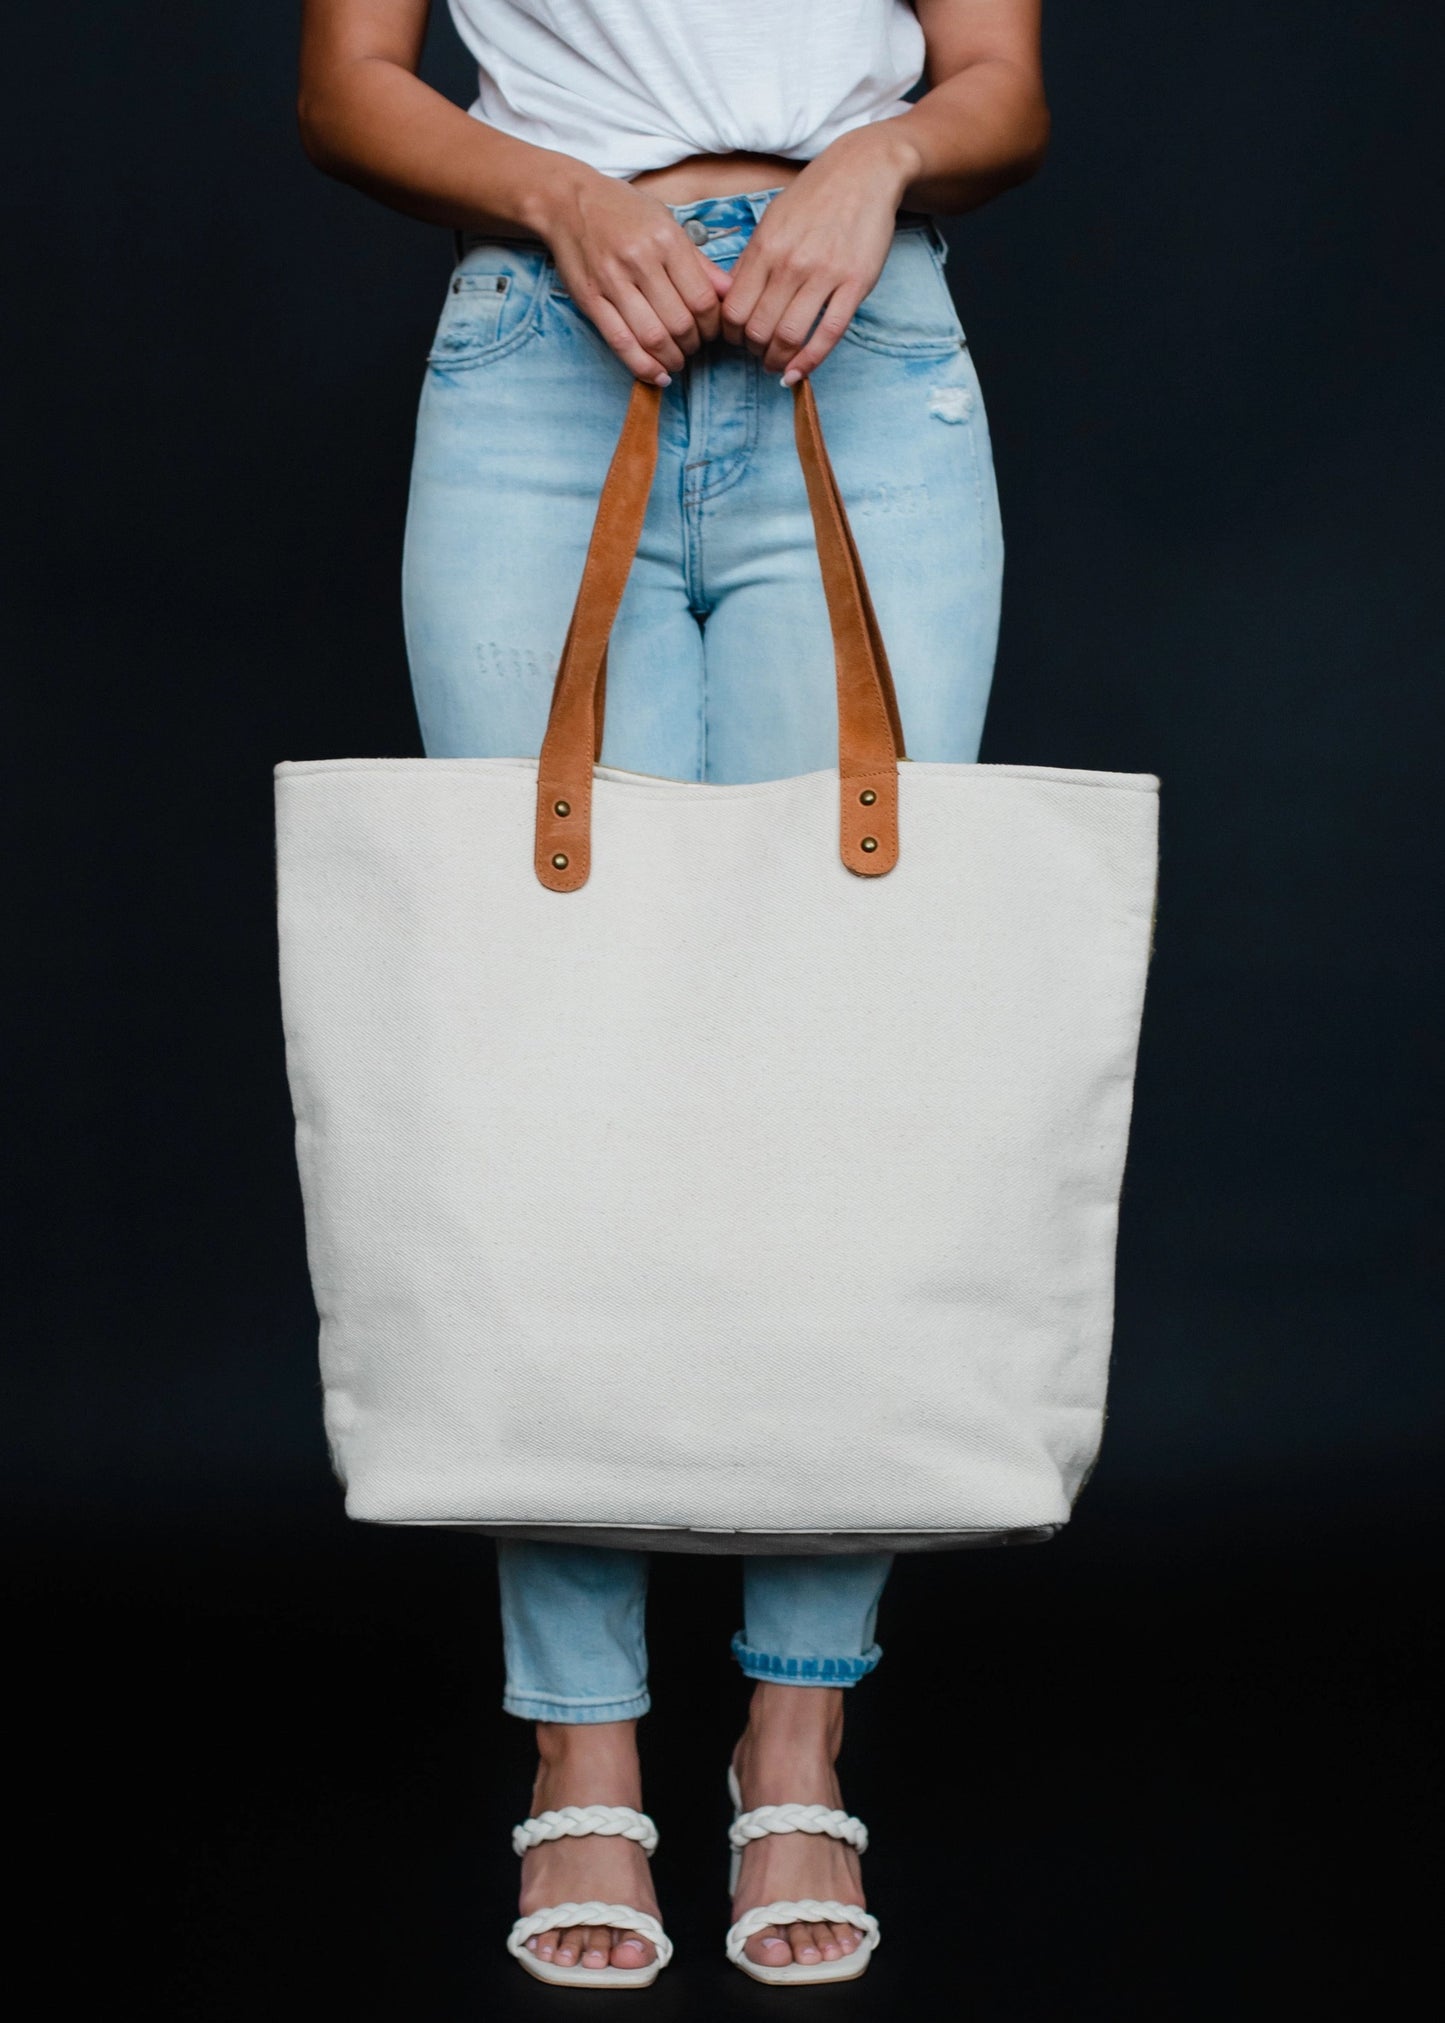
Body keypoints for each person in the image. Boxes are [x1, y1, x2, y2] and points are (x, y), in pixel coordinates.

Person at [298, 0, 1048, 1987]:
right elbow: (345, 80)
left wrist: (868, 168)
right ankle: (583, 1740)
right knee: (541, 1076)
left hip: (863, 351)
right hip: (540, 353)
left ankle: (797, 1726)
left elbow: (1001, 87)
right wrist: (558, 193)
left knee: (850, 1061)